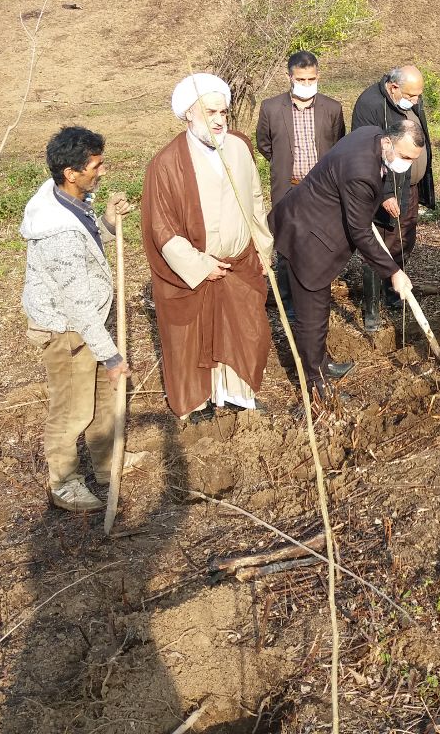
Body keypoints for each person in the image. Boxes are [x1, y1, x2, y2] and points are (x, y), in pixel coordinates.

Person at [21, 126, 147, 512]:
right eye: (96, 165)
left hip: (87, 324)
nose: (102, 171)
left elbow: (88, 247)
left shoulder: (72, 202)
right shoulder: (55, 229)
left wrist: (107, 222)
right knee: (73, 409)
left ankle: (108, 465)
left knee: (104, 402)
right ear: (70, 173)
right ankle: (64, 482)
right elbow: (76, 301)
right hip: (67, 331)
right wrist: (110, 355)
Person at [141, 73, 273, 424]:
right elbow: (161, 228)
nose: (218, 120)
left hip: (240, 263)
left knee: (246, 330)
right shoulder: (166, 163)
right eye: (210, 112)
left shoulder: (240, 147)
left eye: (223, 113)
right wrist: (200, 265)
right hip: (197, 271)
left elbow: (256, 200)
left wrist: (262, 248)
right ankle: (200, 402)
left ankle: (237, 395)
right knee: (192, 341)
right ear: (188, 114)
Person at [269, 119, 420, 398]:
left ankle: (321, 362)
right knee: (311, 315)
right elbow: (361, 232)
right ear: (388, 142)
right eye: (405, 156)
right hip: (307, 237)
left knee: (319, 306)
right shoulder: (361, 172)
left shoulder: (370, 133)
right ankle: (315, 381)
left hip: (310, 219)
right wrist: (393, 272)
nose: (407, 164)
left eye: (413, 158)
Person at [256, 50, 347, 317]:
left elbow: (339, 144)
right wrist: (284, 165)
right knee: (287, 246)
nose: (306, 84)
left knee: (322, 243)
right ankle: (288, 303)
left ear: (318, 76)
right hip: (288, 188)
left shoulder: (332, 108)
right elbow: (265, 144)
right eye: (301, 79)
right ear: (289, 77)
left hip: (322, 191)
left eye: (311, 79)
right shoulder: (271, 108)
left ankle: (317, 297)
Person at [351, 65, 436, 332]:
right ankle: (372, 309)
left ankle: (393, 291)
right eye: (411, 95)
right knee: (378, 247)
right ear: (394, 86)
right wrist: (387, 192)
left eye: (418, 96)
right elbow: (369, 151)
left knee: (403, 239)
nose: (416, 101)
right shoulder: (370, 104)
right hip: (383, 189)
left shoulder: (409, 100)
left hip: (409, 186)